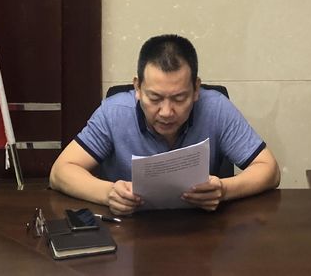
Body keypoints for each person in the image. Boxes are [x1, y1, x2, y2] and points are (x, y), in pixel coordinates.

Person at [49, 34, 280, 215]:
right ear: (138, 88)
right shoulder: (114, 112)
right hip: (128, 231)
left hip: (202, 232)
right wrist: (109, 193)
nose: (167, 112)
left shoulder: (216, 108)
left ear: (196, 89)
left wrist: (225, 189)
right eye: (155, 98)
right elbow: (60, 172)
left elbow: (269, 170)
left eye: (179, 98)